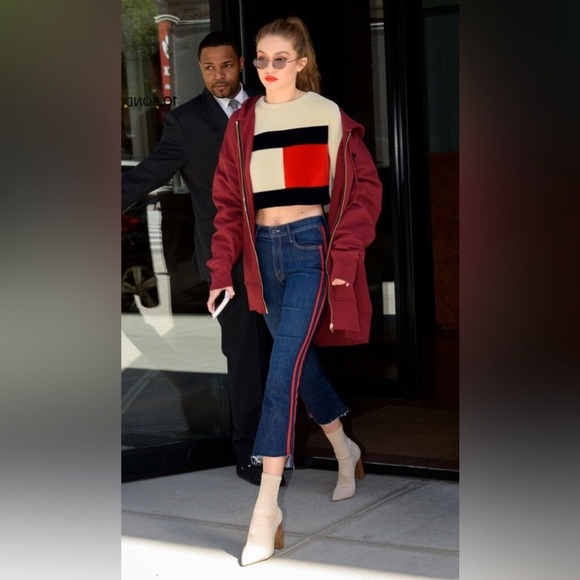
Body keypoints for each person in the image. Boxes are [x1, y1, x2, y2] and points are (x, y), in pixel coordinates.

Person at [206, 17, 382, 566]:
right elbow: (228, 206)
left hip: (309, 250)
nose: (267, 68)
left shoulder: (327, 115)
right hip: (262, 256)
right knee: (298, 367)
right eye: (260, 58)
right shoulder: (243, 123)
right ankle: (344, 447)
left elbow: (364, 191)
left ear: (301, 62)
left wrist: (344, 255)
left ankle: (265, 509)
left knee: (281, 369)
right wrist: (220, 271)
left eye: (279, 59)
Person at [122, 31, 276, 487]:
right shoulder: (186, 121)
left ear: (242, 63)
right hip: (226, 259)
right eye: (208, 68)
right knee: (245, 355)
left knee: (285, 350)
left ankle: (288, 442)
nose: (217, 76)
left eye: (225, 66)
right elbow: (146, 174)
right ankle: (252, 452)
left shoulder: (270, 107)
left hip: (279, 248)